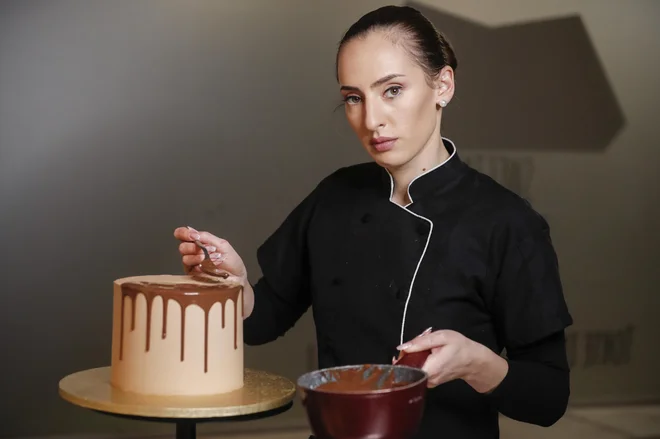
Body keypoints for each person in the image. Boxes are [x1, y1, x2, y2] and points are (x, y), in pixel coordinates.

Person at [174, 5, 573, 438]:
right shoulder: (335, 197)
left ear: (442, 85)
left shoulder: (507, 222)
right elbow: (263, 320)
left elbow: (548, 397)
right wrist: (233, 288)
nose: (371, 120)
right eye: (353, 97)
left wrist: (476, 363)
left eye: (393, 90)